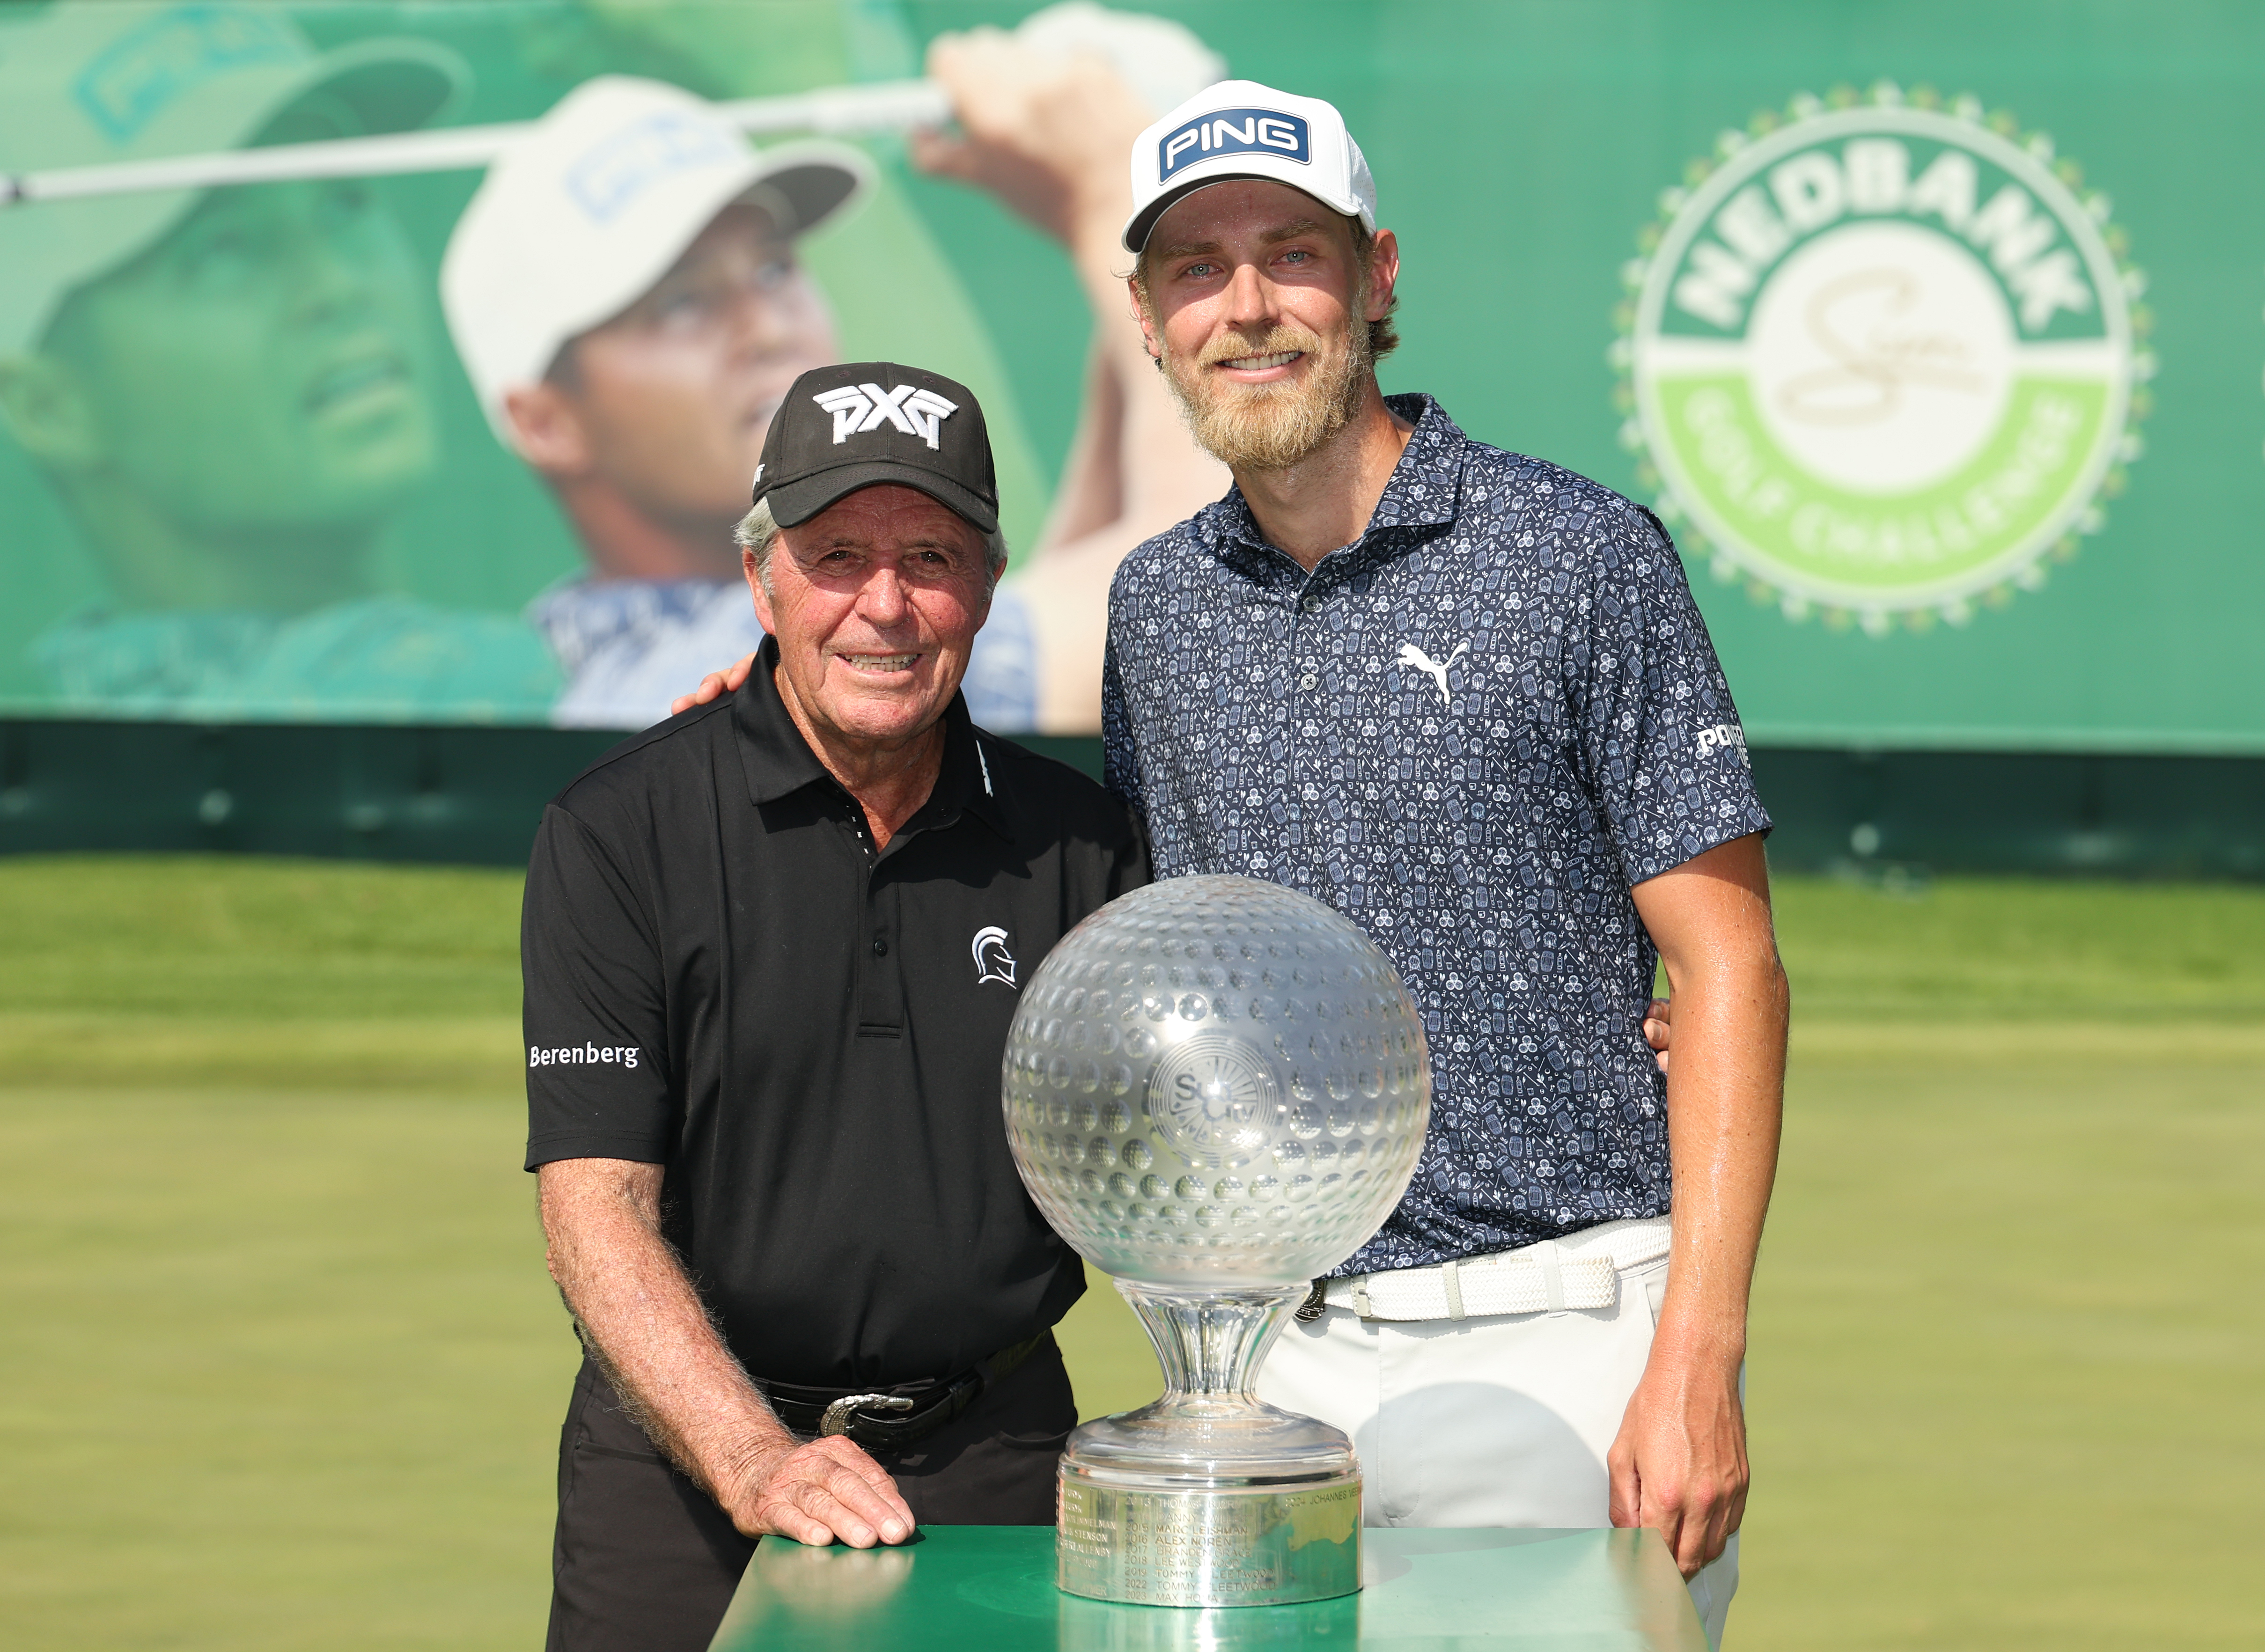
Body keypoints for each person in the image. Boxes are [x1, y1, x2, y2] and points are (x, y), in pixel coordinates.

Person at [683, 79, 1786, 1648]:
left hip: (1560, 1331)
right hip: (1267, 1363)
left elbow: (1727, 959)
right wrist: (735, 731)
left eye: (1292, 254)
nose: (1247, 305)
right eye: (1196, 268)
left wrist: (1695, 1360)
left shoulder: (1576, 556)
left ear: (1377, 276)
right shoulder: (1158, 606)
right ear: (1142, 314)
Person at [521, 360, 1145, 1652]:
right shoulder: (619, 829)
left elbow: (1185, 1139)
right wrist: (755, 1460)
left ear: (983, 583)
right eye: (834, 556)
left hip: (998, 1453)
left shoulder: (1084, 847)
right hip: (685, 1462)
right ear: (759, 581)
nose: (884, 606)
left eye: (929, 555)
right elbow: (597, 1205)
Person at [443, 7, 1227, 733]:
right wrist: (1119, 200)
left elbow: (1073, 593)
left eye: (775, 268)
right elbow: (1200, 612)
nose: (765, 326)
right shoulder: (700, 682)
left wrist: (1113, 240)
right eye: (681, 304)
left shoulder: (711, 640)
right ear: (544, 420)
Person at [0, 0, 561, 719]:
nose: (335, 285)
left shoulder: (69, 720)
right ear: (51, 407)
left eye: (346, 203)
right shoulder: (526, 697)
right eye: (224, 252)